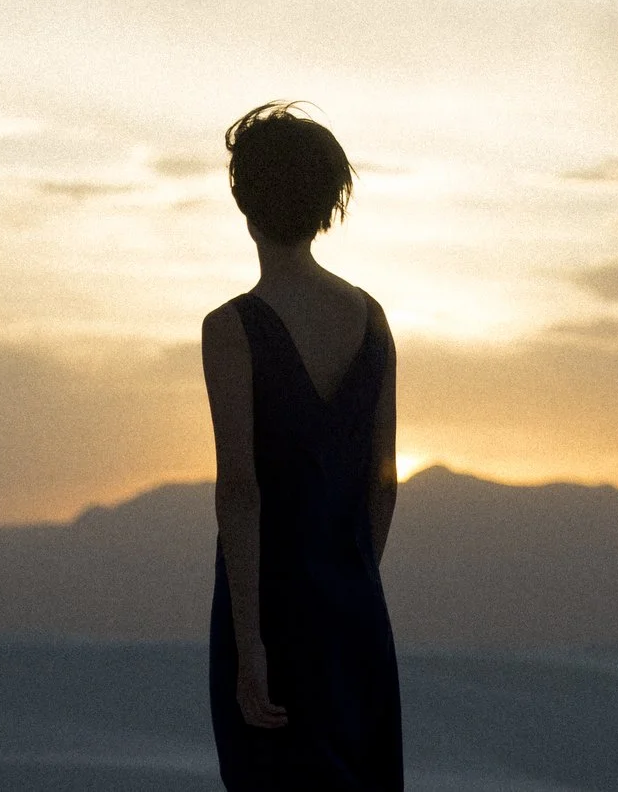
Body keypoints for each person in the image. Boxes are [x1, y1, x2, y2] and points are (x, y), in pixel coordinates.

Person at [204, 102, 402, 791]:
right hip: (354, 609)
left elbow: (241, 490)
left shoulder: (232, 328)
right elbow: (384, 481)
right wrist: (348, 589)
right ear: (327, 204)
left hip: (269, 611)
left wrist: (252, 643)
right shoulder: (372, 318)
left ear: (244, 201)